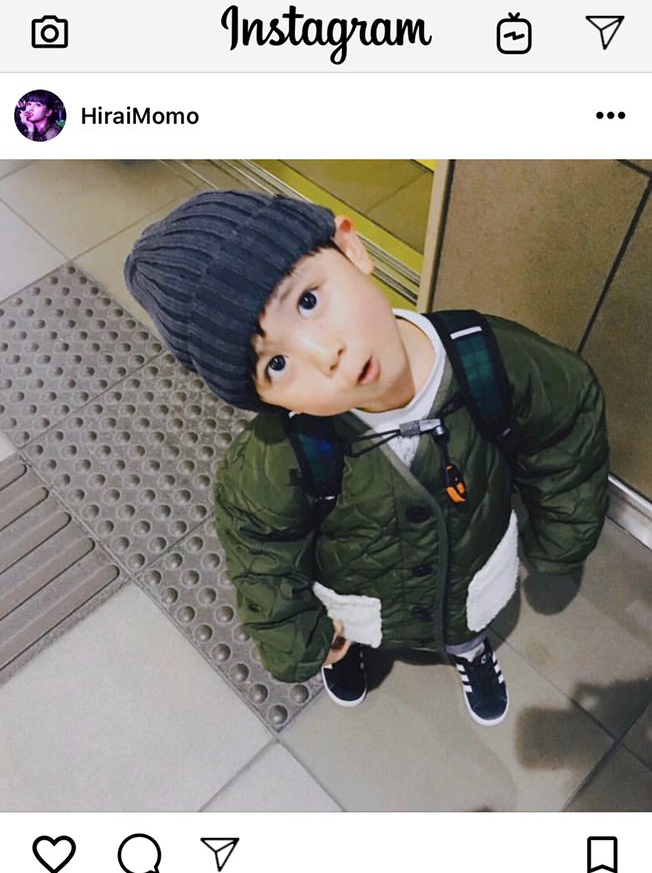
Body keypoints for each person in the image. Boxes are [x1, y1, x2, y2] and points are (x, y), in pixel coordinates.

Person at [124, 190, 609, 726]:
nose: (324, 355)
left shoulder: (490, 362)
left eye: (308, 301)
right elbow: (260, 552)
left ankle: (468, 647)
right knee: (346, 634)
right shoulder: (280, 455)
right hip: (359, 598)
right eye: (277, 364)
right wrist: (304, 639)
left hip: (472, 570)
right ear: (264, 399)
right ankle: (345, 650)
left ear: (350, 247)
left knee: (465, 621)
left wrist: (560, 537)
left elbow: (567, 432)